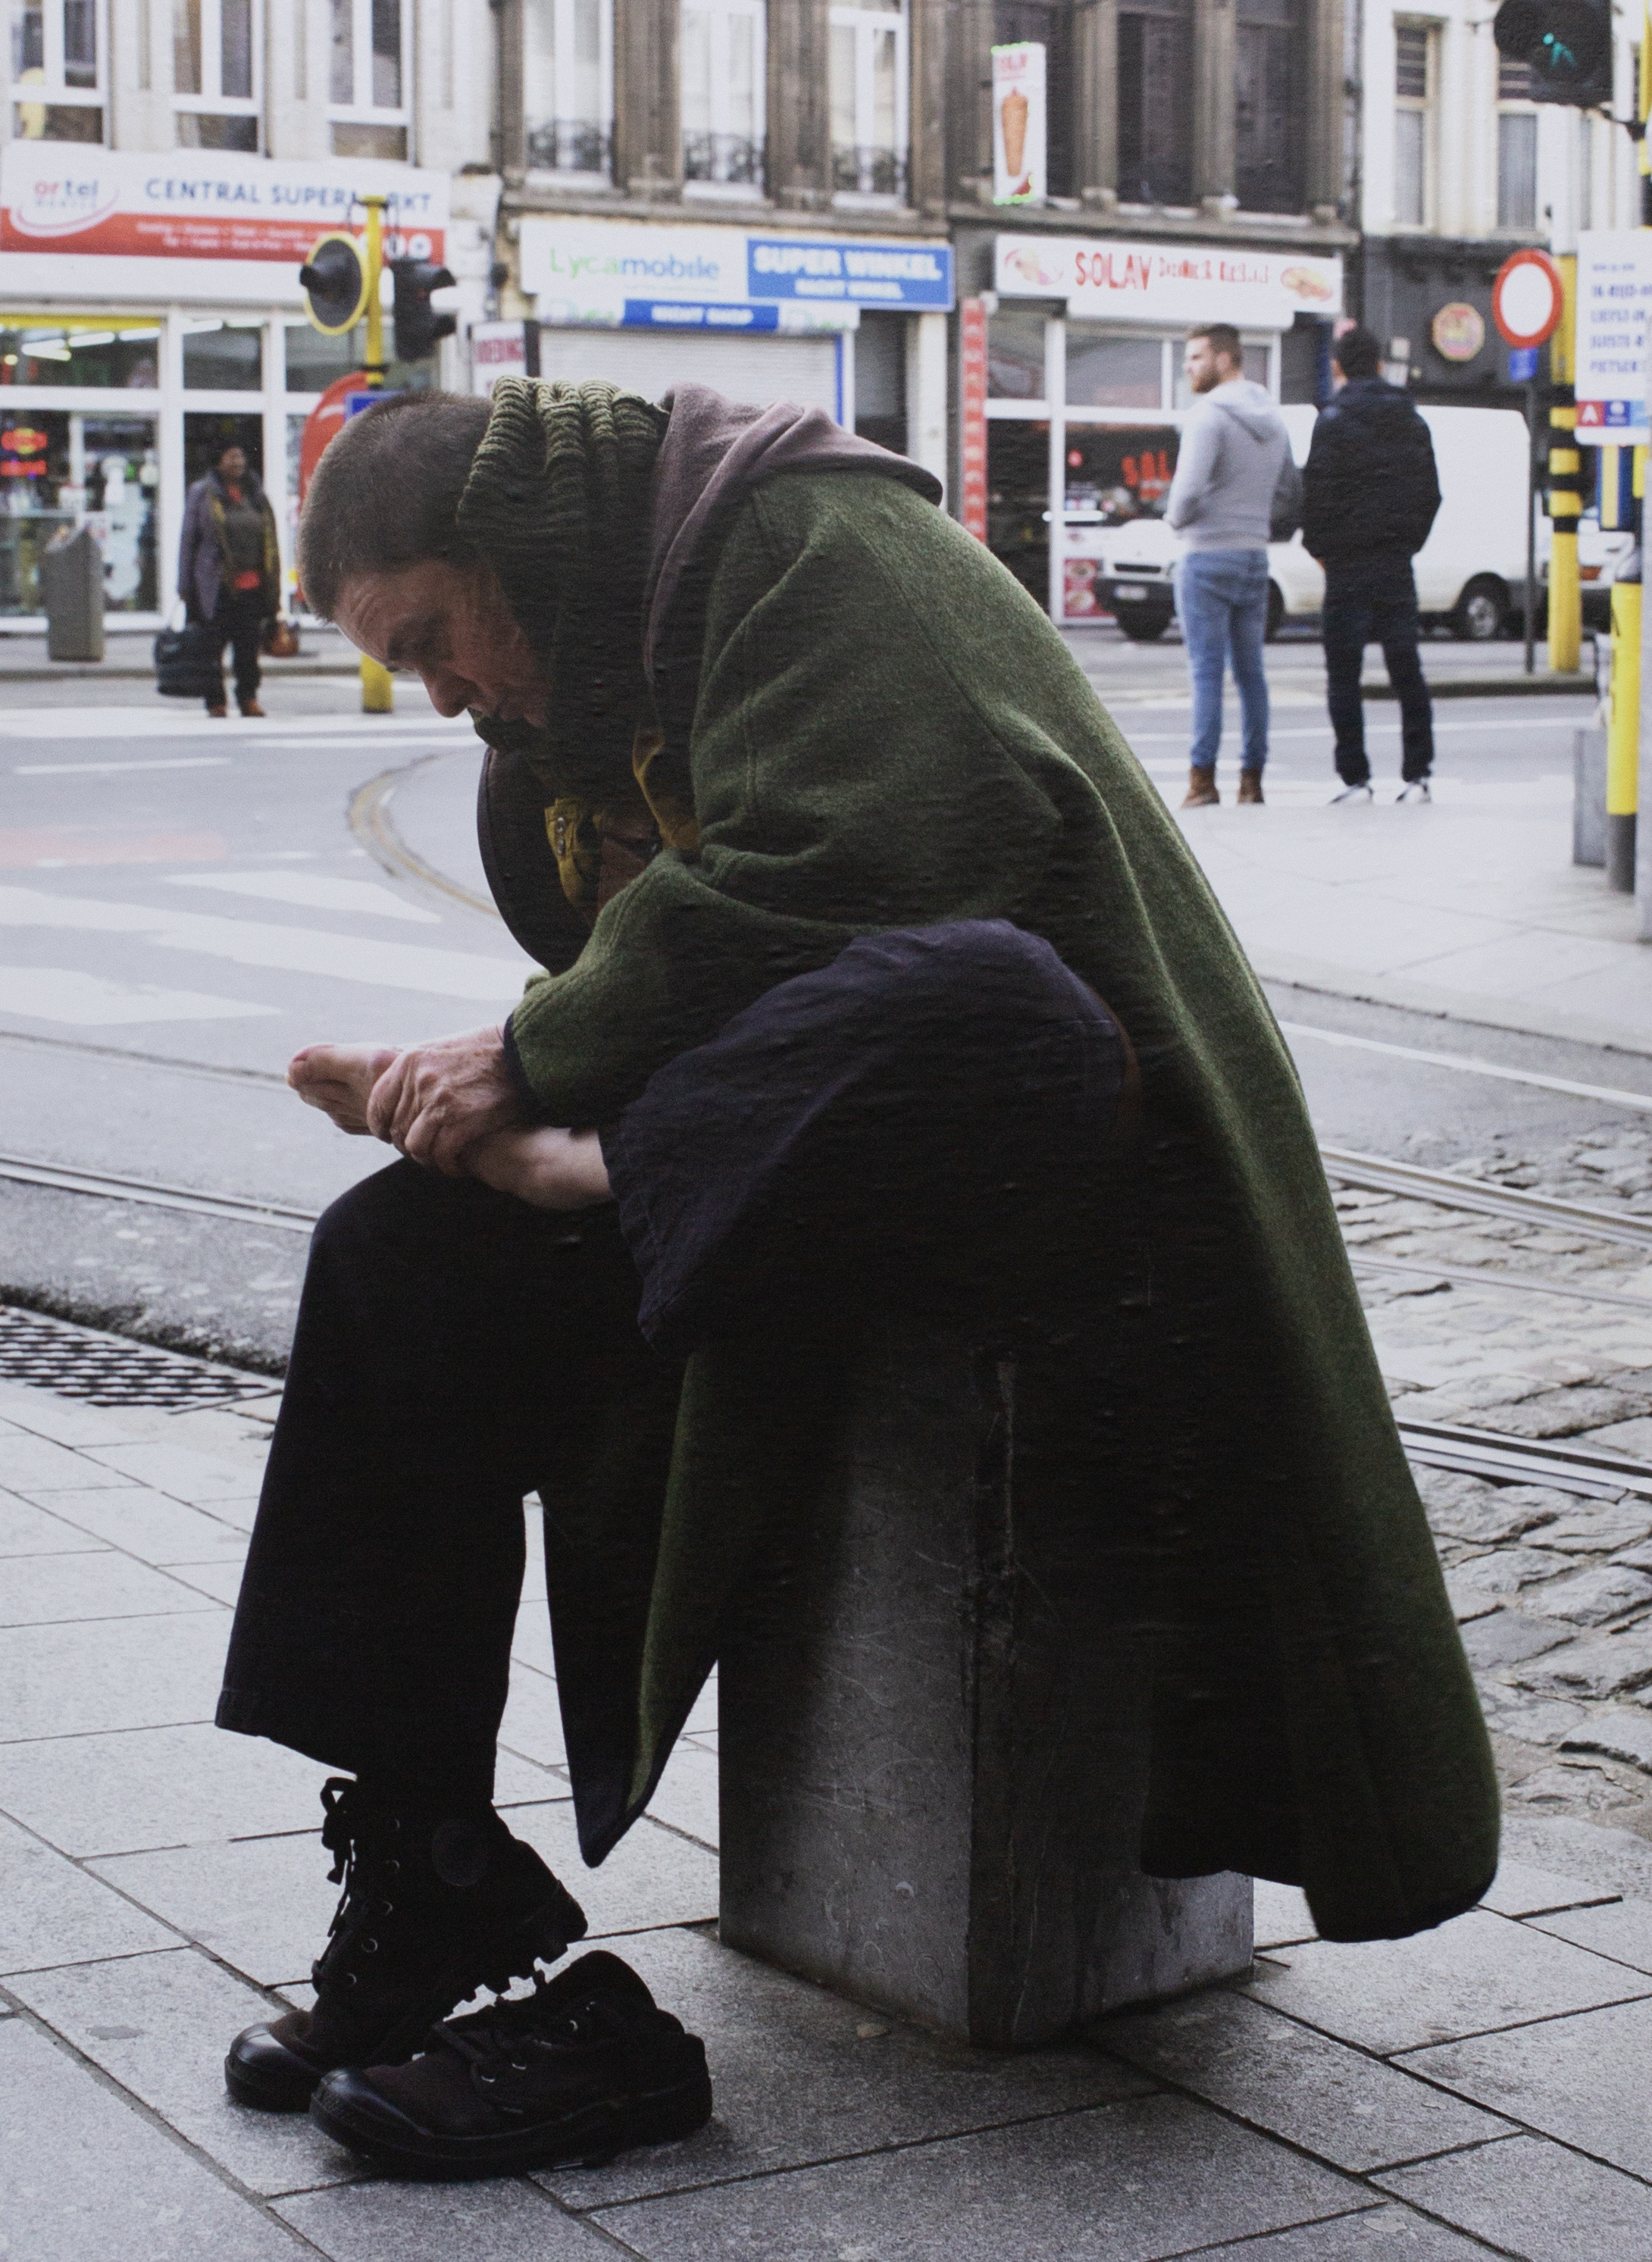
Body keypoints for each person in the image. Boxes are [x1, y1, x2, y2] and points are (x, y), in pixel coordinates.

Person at [212, 380, 1496, 2180]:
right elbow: (681, 964)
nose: (441, 697)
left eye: (432, 642)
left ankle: (610, 1172)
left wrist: (532, 1060)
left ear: (509, 552)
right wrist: (571, 1061)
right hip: (777, 1166)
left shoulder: (809, 541)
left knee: (987, 992)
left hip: (1068, 1161)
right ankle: (430, 1867)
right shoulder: (592, 679)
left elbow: (882, 859)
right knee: (393, 1256)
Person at [1301, 326, 1441, 805]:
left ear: (1338, 367)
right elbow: (1430, 494)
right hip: (1394, 562)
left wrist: (1322, 550)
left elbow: (1316, 495)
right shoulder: (1411, 420)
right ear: (1380, 364)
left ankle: (1356, 779)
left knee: (1343, 674)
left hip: (1346, 566)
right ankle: (1418, 774)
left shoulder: (1331, 421)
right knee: (1407, 669)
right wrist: (1407, 543)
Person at [1165, 322, 1301, 810]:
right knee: (1251, 673)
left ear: (1225, 359)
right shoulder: (1273, 419)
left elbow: (1187, 492)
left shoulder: (1208, 416)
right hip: (1254, 556)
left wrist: (1174, 519)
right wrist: (1255, 521)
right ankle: (1252, 780)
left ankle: (1203, 783)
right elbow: (1288, 491)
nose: (1188, 368)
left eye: (1196, 358)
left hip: (1206, 555)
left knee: (1206, 673)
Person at [177, 443, 281, 718]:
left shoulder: (256, 494)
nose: (238, 461)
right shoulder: (202, 493)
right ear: (219, 460)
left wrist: (273, 588)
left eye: (241, 456)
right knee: (211, 649)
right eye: (231, 456)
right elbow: (188, 542)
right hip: (215, 587)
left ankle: (248, 698)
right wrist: (185, 587)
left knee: (248, 649)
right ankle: (216, 702)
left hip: (252, 587)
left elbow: (270, 541)